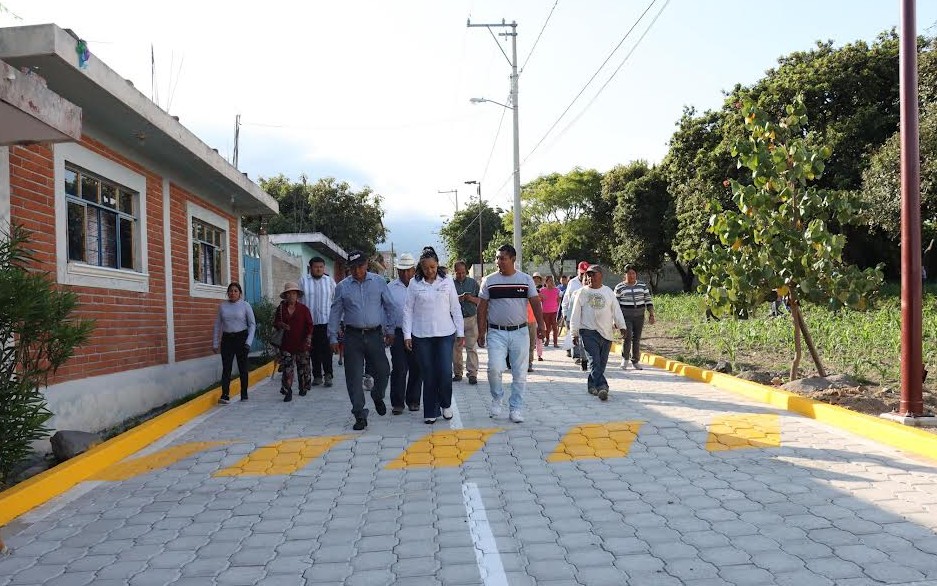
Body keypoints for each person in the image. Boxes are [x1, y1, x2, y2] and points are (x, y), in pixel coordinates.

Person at [328, 250, 397, 431]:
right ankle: (359, 413)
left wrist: (390, 329)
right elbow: (335, 312)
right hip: (353, 337)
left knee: (384, 371)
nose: (357, 271)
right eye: (352, 268)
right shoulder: (342, 287)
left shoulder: (379, 282)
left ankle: (377, 395)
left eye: (360, 266)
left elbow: (390, 307)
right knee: (353, 377)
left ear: (366, 264)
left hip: (375, 335)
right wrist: (332, 336)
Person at [477, 244, 544, 423]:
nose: (499, 262)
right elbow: (481, 307)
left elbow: (536, 302)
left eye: (503, 258)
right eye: (497, 258)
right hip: (496, 332)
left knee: (520, 373)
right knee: (494, 368)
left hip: (520, 332)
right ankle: (497, 398)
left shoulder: (525, 280)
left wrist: (541, 325)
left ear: (513, 260)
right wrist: (481, 331)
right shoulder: (489, 281)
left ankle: (515, 408)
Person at [403, 247, 464, 424]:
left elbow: (455, 308)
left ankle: (446, 404)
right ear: (420, 268)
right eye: (426, 268)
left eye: (433, 267)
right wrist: (407, 334)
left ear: (438, 265)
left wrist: (460, 332)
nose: (430, 271)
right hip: (421, 336)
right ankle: (430, 410)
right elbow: (408, 310)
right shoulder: (415, 284)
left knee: (445, 371)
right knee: (428, 373)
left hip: (445, 334)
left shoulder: (447, 282)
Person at [570, 265, 627, 401]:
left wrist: (622, 326)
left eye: (593, 274)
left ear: (601, 275)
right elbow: (575, 314)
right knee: (594, 361)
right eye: (588, 275)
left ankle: (591, 385)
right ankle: (602, 386)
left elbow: (616, 310)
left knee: (601, 364)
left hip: (606, 332)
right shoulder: (581, 293)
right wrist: (574, 333)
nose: (590, 277)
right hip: (588, 332)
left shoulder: (608, 292)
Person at [388, 253, 422, 414]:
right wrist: (387, 331)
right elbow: (385, 310)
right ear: (397, 270)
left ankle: (414, 401)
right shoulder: (390, 288)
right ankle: (397, 403)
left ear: (414, 270)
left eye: (408, 270)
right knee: (399, 368)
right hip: (398, 332)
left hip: (418, 333)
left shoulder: (421, 285)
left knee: (417, 367)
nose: (405, 274)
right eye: (402, 271)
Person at [212, 282, 257, 404]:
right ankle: (225, 395)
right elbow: (217, 325)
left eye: (235, 291)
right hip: (227, 339)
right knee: (226, 368)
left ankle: (244, 393)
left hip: (241, 338)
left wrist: (248, 342)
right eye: (230, 291)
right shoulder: (222, 306)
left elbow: (252, 325)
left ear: (240, 293)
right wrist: (215, 343)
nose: (233, 293)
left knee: (243, 367)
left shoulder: (245, 305)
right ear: (228, 293)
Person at [273, 282, 314, 402]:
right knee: (287, 368)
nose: (291, 296)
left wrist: (308, 337)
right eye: (289, 293)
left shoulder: (303, 309)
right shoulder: (281, 309)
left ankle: (303, 387)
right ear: (285, 296)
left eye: (294, 293)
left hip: (301, 343)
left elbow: (310, 325)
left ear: (297, 295)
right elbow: (275, 323)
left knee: (303, 366)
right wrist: (280, 324)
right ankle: (288, 391)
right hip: (286, 343)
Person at [301, 256, 336, 388]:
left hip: (326, 322)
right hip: (309, 324)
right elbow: (299, 301)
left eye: (321, 267)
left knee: (327, 350)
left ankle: (328, 375)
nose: (319, 269)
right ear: (311, 268)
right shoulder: (303, 282)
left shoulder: (330, 282)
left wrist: (337, 323)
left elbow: (336, 301)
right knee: (313, 350)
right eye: (316, 267)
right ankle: (317, 376)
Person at [614, 264, 656, 370]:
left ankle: (635, 361)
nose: (631, 276)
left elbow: (648, 300)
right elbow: (615, 305)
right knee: (627, 337)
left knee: (636, 339)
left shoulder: (642, 286)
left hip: (639, 316)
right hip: (625, 316)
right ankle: (625, 359)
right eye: (629, 273)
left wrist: (651, 314)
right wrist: (615, 319)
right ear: (625, 275)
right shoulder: (619, 287)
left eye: (633, 273)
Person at [452, 260, 481, 385]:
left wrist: (470, 298)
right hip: (455, 321)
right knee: (456, 348)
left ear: (467, 272)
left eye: (463, 273)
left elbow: (481, 301)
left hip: (471, 318)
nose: (461, 275)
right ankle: (458, 372)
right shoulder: (450, 284)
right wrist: (457, 299)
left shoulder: (473, 283)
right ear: (455, 273)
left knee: (471, 347)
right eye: (458, 273)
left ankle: (472, 373)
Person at [540, 275, 561, 347]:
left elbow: (558, 300)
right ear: (546, 282)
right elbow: (540, 301)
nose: (551, 282)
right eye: (550, 280)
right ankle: (547, 340)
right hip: (545, 311)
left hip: (554, 311)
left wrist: (557, 307)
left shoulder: (557, 290)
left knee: (555, 327)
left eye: (552, 280)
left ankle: (555, 342)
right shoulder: (542, 290)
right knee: (548, 327)